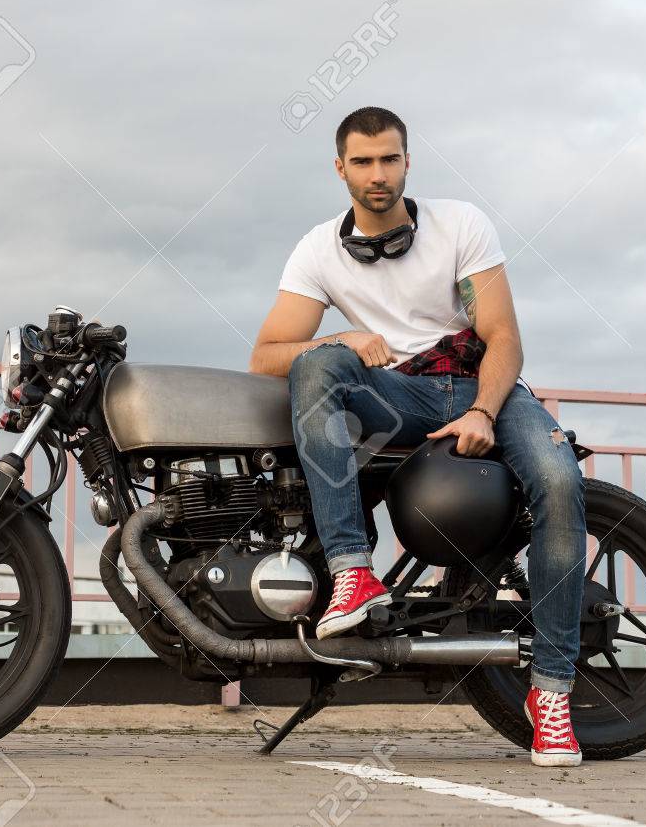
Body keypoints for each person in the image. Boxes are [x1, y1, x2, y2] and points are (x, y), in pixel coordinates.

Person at [248, 106, 587, 767]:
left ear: (407, 162)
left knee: (558, 478)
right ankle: (352, 573)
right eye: (363, 161)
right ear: (341, 168)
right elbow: (266, 356)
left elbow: (504, 337)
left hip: (482, 387)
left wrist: (483, 411)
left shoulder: (461, 223)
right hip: (395, 394)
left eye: (389, 159)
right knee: (316, 364)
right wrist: (344, 337)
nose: (378, 174)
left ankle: (550, 694)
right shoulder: (318, 249)